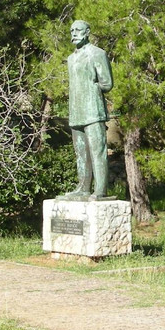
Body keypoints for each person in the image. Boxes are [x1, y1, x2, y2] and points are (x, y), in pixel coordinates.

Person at [64, 20, 113, 199]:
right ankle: (83, 187)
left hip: (93, 110)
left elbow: (107, 83)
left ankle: (100, 189)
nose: (74, 33)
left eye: (77, 30)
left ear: (87, 32)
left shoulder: (97, 54)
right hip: (76, 110)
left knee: (97, 150)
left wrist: (91, 90)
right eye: (71, 31)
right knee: (81, 152)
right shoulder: (70, 58)